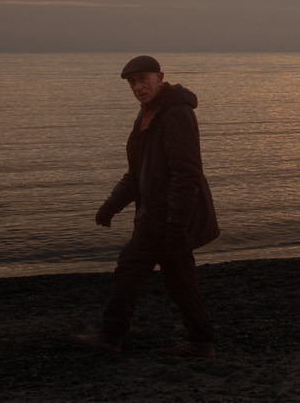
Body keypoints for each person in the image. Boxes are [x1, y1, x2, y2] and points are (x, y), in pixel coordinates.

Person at [72, 56, 220, 359]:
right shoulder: (145, 117)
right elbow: (136, 172)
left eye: (143, 79)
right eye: (132, 82)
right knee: (178, 278)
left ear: (160, 77)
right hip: (156, 215)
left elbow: (186, 172)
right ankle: (201, 342)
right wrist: (111, 206)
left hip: (167, 218)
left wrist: (177, 225)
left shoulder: (176, 113)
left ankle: (111, 335)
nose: (138, 87)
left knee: (130, 268)